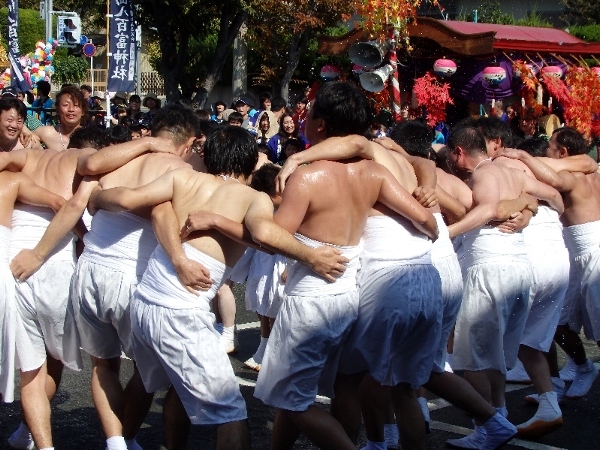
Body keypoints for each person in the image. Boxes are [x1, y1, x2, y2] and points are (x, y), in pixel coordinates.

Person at [87, 125, 349, 450]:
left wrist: (95, 197)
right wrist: (311, 256)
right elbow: (264, 236)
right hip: (180, 311)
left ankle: (121, 443)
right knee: (231, 411)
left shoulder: (184, 179)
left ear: (207, 155)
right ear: (251, 162)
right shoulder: (253, 197)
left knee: (154, 381)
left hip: (145, 301)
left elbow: (128, 198)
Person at [252, 81, 439, 450]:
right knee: (339, 385)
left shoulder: (307, 176)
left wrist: (259, 212)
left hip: (312, 297)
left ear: (320, 125)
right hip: (350, 293)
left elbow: (272, 238)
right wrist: (431, 218)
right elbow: (426, 220)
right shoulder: (373, 172)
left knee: (290, 396)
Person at [444, 126, 565, 449]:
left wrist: (448, 234)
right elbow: (554, 196)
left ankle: (490, 425)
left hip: (489, 268)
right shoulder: (509, 172)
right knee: (492, 356)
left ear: (459, 152)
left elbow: (489, 209)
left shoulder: (484, 174)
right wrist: (528, 205)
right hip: (519, 267)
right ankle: (498, 419)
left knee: (471, 361)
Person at [497, 127, 600, 402]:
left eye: (551, 147)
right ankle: (581, 366)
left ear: (562, 152)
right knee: (559, 324)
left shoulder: (573, 176)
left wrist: (522, 155)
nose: (545, 152)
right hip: (575, 256)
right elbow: (584, 162)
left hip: (593, 255)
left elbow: (553, 176)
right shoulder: (588, 167)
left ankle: (582, 369)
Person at [0, 168, 66, 406]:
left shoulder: (12, 180)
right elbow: (60, 203)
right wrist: (85, 239)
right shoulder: (11, 179)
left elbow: (58, 202)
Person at [33, 85, 87, 150]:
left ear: (83, 111)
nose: (71, 109)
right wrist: (24, 129)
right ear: (58, 109)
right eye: (65, 105)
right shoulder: (46, 133)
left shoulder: (91, 137)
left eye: (76, 105)